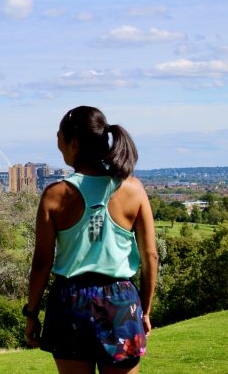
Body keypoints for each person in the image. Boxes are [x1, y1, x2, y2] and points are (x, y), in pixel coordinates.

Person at [24, 106, 158, 374]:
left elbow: (42, 263)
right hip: (121, 302)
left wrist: (31, 313)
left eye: (59, 138)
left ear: (74, 143)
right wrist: (144, 309)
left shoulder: (55, 195)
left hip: (70, 302)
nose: (58, 145)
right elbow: (150, 256)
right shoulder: (133, 189)